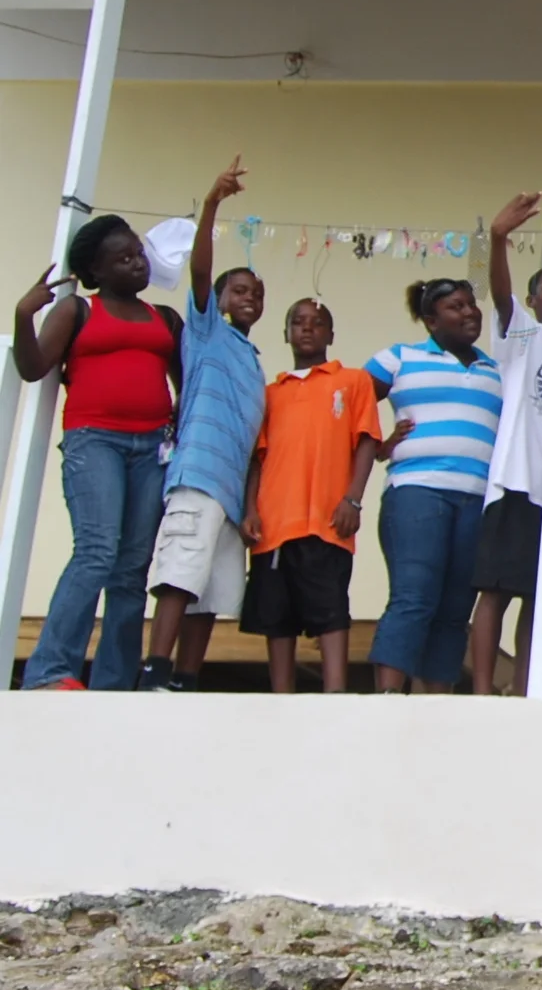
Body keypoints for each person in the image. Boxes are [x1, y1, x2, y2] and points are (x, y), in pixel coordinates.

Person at [13, 213, 185, 690]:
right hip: (96, 442)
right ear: (98, 271)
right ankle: (49, 671)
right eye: (123, 258)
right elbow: (32, 367)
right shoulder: (78, 312)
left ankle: (113, 683)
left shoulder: (164, 319)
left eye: (138, 253)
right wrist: (24, 314)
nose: (137, 263)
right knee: (95, 551)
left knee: (132, 570)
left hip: (152, 447)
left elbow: (185, 385)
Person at [139, 157, 265, 691]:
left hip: (232, 494)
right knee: (179, 577)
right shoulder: (207, 331)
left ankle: (186, 680)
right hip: (197, 477)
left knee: (212, 591)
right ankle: (155, 670)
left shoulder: (255, 361)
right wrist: (212, 203)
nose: (250, 299)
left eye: (257, 294)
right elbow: (198, 272)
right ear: (215, 301)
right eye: (239, 290)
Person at [241, 298, 386, 692]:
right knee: (277, 616)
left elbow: (367, 442)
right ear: (286, 332)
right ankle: (281, 697)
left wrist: (353, 499)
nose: (307, 328)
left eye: (317, 323)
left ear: (331, 335)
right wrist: (250, 509)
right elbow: (258, 457)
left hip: (328, 519)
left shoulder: (353, 381)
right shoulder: (270, 392)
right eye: (298, 322)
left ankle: (334, 693)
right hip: (274, 522)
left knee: (331, 609)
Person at [366, 277, 502, 693]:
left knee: (456, 605)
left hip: (477, 499)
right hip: (417, 490)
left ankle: (436, 704)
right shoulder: (399, 358)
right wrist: (380, 445)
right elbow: (348, 404)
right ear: (429, 320)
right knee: (414, 596)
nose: (469, 313)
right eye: (455, 307)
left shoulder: (495, 370)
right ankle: (388, 695)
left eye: (471, 305)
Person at [469, 193, 542, 695]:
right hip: (517, 482)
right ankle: (484, 689)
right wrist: (500, 239)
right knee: (495, 593)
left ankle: (524, 688)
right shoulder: (525, 335)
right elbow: (501, 295)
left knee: (538, 599)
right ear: (533, 301)